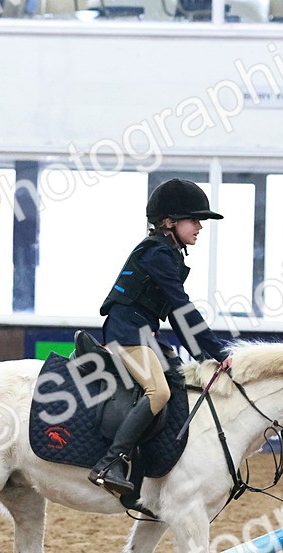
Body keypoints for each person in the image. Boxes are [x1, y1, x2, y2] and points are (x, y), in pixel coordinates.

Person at [89, 179, 232, 496]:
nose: (199, 227)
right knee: (159, 392)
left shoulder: (169, 254)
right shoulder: (157, 254)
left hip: (143, 333)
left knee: (177, 380)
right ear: (169, 222)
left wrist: (204, 358)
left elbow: (176, 315)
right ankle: (110, 462)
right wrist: (219, 352)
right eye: (194, 220)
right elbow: (183, 307)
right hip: (126, 333)